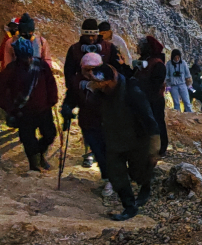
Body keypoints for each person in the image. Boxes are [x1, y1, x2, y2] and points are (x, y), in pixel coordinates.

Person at [89, 65, 160, 221]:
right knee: (116, 175)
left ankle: (145, 186)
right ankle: (129, 207)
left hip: (136, 141)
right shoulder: (100, 94)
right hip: (114, 140)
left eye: (103, 83)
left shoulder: (132, 91)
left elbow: (149, 119)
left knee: (138, 173)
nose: (100, 86)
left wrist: (154, 149)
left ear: (112, 80)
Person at [64, 18, 124, 167]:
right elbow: (69, 73)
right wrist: (73, 94)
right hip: (85, 94)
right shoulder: (74, 50)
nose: (91, 39)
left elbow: (119, 70)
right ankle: (89, 152)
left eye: (93, 35)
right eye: (88, 35)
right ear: (82, 35)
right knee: (88, 124)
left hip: (106, 94)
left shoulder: (109, 48)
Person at [0, 38, 58, 172]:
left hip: (43, 109)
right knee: (28, 140)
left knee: (49, 134)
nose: (27, 60)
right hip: (23, 112)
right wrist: (11, 108)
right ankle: (34, 165)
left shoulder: (41, 65)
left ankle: (40, 154)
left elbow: (50, 83)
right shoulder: (10, 70)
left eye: (29, 56)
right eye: (24, 57)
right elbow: (0, 93)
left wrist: (52, 100)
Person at [62, 52, 110, 190]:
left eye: (92, 69)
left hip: (106, 122)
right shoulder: (77, 81)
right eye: (86, 69)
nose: (89, 73)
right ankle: (107, 178)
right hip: (87, 122)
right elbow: (71, 98)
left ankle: (113, 179)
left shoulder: (107, 81)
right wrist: (67, 108)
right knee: (97, 150)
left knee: (107, 150)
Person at [133, 36, 168, 157]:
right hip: (145, 99)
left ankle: (161, 148)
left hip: (154, 100)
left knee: (157, 122)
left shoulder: (157, 64)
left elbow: (155, 83)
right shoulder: (146, 61)